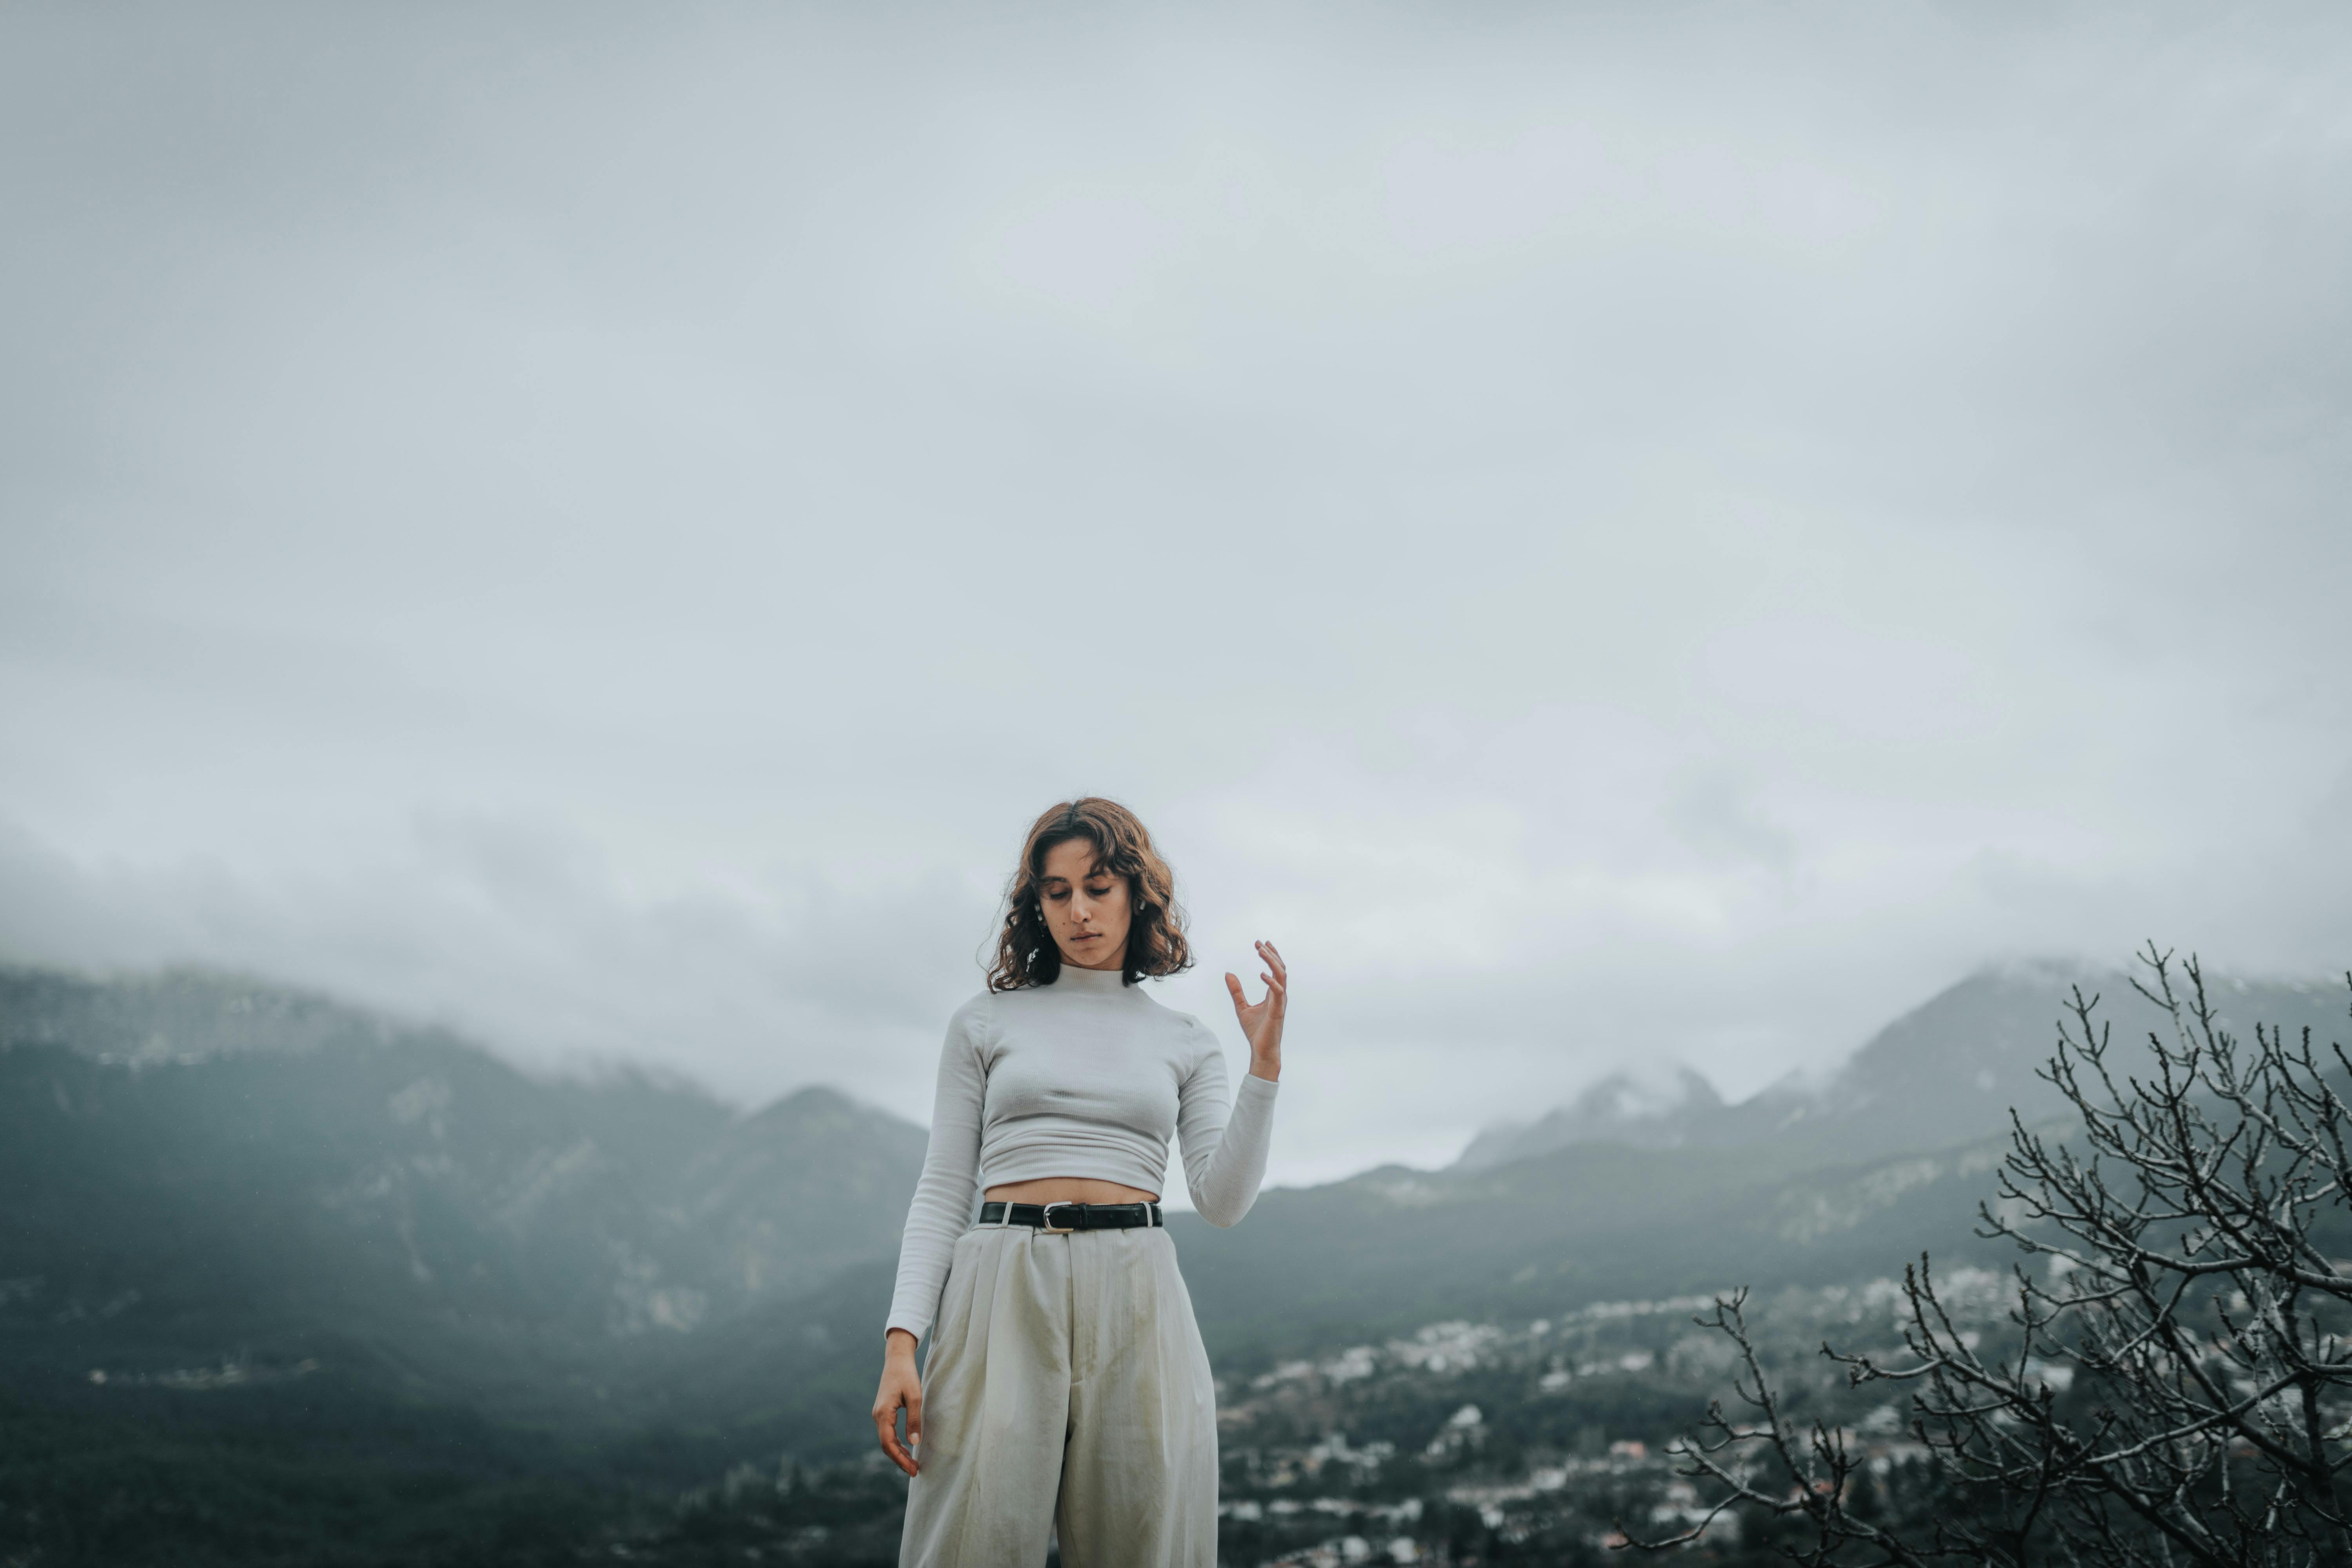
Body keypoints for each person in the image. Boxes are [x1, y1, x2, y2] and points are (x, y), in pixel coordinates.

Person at [872, 797, 1287, 1567]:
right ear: (1037, 904)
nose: (1079, 910)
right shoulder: (983, 1022)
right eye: (1057, 892)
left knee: (1148, 1542)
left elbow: (1222, 1201)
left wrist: (1263, 1066)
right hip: (1001, 1277)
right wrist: (903, 1342)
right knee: (970, 1542)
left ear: (1137, 892)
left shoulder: (1187, 1041)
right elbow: (942, 1187)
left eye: (1098, 886)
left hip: (1139, 1286)